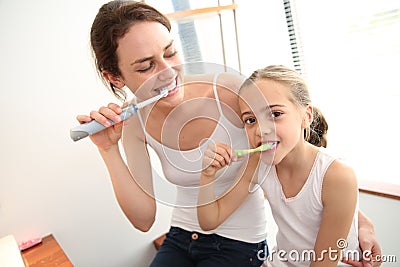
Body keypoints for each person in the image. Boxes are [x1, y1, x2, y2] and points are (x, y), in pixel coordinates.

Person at [76, 1, 381, 266]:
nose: (168, 72)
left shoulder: (229, 90)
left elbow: (301, 151)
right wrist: (108, 149)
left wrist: (359, 222)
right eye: (146, 66)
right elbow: (143, 220)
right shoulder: (133, 121)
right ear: (114, 76)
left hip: (240, 243)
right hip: (180, 237)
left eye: (170, 52)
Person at [197, 65, 382, 266]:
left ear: (306, 116)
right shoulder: (258, 163)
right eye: (250, 120)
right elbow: (209, 221)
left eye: (275, 114)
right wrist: (207, 175)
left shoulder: (337, 175)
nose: (261, 130)